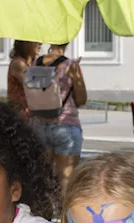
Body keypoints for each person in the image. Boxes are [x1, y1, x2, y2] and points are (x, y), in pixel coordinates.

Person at [29, 43, 86, 181]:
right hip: (65, 125)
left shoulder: (35, 63)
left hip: (39, 125)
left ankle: (44, 203)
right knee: (65, 179)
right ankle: (64, 203)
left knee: (44, 180)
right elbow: (81, 99)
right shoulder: (70, 65)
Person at [6, 41, 41, 114]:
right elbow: (34, 87)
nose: (40, 43)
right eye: (36, 41)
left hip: (31, 111)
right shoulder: (18, 63)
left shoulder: (32, 63)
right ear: (25, 44)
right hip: (20, 113)